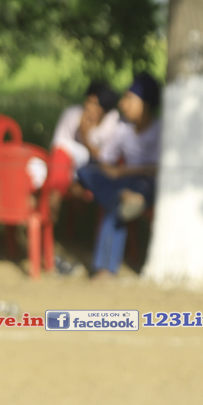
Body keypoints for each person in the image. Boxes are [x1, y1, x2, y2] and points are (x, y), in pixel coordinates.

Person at [75, 71, 162, 279]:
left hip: (146, 183)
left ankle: (104, 269)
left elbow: (161, 168)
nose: (122, 105)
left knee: (116, 205)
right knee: (84, 170)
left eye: (129, 99)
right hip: (122, 182)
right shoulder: (123, 128)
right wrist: (86, 138)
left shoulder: (161, 129)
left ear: (145, 104)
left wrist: (123, 171)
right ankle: (125, 196)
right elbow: (105, 158)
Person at [47, 80, 121, 197]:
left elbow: (106, 161)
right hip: (68, 167)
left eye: (95, 104)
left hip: (97, 170)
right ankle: (55, 197)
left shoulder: (113, 123)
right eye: (88, 101)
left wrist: (84, 136)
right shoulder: (72, 115)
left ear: (105, 110)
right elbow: (58, 148)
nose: (89, 107)